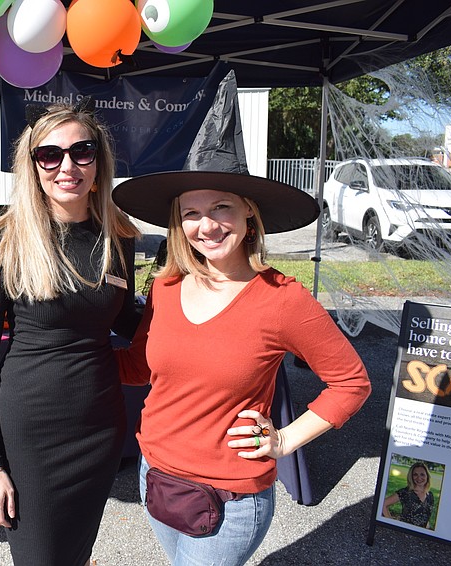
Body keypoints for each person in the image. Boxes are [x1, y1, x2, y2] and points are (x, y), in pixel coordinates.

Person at [111, 153, 372, 565]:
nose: (207, 225)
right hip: (156, 476)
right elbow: (140, 367)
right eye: (191, 212)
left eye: (221, 207)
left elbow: (351, 383)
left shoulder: (283, 299)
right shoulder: (167, 286)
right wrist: (68, 353)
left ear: (249, 212)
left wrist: (285, 439)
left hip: (227, 498)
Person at [0, 100, 141, 566]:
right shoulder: (2, 245)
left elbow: (128, 322)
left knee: (76, 552)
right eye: (50, 155)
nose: (67, 166)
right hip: (32, 437)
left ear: (98, 160)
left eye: (82, 151)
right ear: (33, 165)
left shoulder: (117, 238)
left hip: (101, 429)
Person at [382, 461, 435, 528]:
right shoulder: (405, 492)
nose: (419, 478)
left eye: (422, 474)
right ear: (411, 477)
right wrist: (391, 524)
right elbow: (383, 504)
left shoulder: (430, 496)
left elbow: (426, 517)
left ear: (427, 476)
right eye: (415, 474)